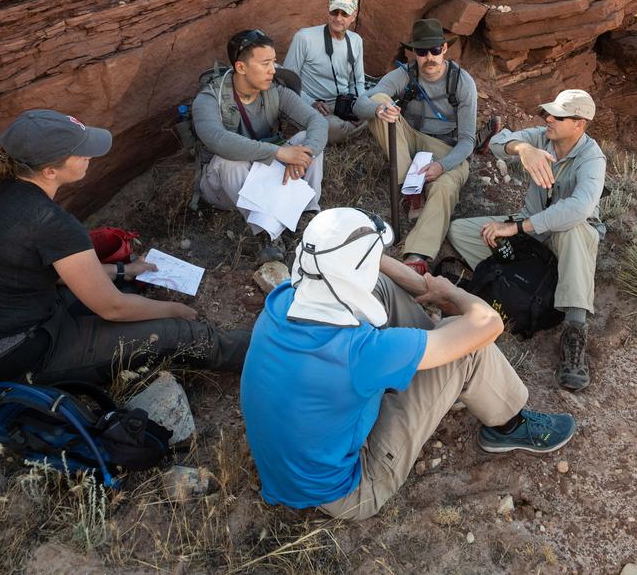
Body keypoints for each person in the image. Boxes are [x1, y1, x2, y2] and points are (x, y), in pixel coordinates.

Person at [240, 207, 576, 521]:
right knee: (470, 348)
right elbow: (488, 324)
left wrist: (424, 286)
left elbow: (364, 272)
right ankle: (508, 425)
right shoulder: (360, 353)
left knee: (381, 289)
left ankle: (438, 361)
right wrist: (452, 294)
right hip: (349, 491)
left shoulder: (282, 298)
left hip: (288, 469)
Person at [0, 109, 250, 387]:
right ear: (50, 170)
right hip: (16, 356)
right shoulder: (50, 222)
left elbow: (53, 271)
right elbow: (111, 308)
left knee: (128, 294)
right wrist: (175, 311)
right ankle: (270, 355)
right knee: (182, 334)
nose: (89, 155)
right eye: (80, 152)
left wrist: (123, 270)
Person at [447, 89, 606, 391]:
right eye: (549, 113)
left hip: (564, 236)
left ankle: (574, 328)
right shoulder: (542, 137)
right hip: (532, 231)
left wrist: (518, 229)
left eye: (558, 116)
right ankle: (520, 275)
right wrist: (522, 148)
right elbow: (496, 141)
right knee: (462, 232)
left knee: (575, 228)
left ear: (579, 123)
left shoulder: (592, 158)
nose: (548, 119)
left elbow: (577, 209)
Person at [353, 18, 493, 275]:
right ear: (413, 52)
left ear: (445, 49)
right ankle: (410, 189)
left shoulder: (462, 82)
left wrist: (442, 166)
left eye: (434, 50)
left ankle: (417, 254)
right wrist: (379, 109)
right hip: (412, 138)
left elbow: (466, 142)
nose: (429, 57)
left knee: (444, 187)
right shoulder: (404, 74)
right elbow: (358, 105)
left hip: (447, 147)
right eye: (421, 51)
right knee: (381, 100)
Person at [193, 28, 329, 263]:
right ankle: (267, 234)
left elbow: (316, 120)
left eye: (274, 62)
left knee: (306, 141)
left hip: (266, 175)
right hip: (223, 188)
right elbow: (217, 139)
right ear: (241, 67)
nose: (272, 70)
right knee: (229, 161)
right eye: (265, 63)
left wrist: (303, 156)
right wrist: (278, 152)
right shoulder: (209, 99)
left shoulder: (274, 91)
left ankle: (306, 213)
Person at [283, 0, 367, 144]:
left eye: (344, 14)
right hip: (313, 104)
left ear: (354, 15)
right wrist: (311, 102)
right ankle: (347, 131)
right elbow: (287, 81)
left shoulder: (356, 40)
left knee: (376, 112)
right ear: (328, 10)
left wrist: (360, 107)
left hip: (343, 103)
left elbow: (358, 83)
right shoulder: (304, 37)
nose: (338, 18)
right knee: (333, 128)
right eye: (334, 12)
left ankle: (342, 129)